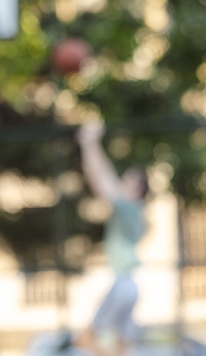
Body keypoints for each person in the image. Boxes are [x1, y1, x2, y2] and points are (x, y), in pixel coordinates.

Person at [75, 119, 149, 356]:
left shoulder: (129, 208)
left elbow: (101, 179)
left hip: (122, 286)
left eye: (126, 181)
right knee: (121, 345)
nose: (120, 183)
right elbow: (105, 177)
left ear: (137, 190)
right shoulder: (135, 212)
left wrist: (89, 143)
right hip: (129, 285)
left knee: (88, 339)